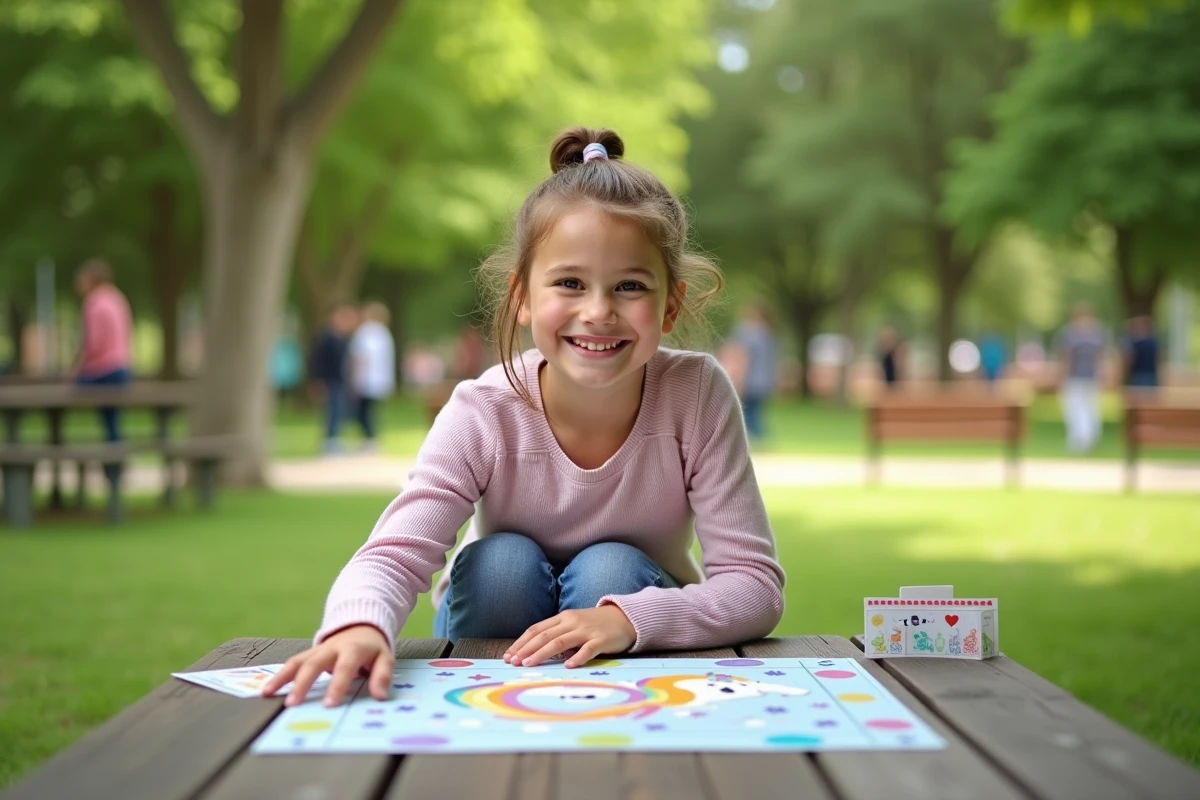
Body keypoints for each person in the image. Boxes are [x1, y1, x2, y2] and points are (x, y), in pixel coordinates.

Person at [264, 127, 785, 708]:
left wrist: (627, 619)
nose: (598, 311)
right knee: (500, 564)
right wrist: (356, 627)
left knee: (607, 568)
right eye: (569, 283)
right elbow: (396, 551)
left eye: (630, 286)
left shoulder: (696, 393)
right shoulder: (484, 409)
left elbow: (754, 586)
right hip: (493, 647)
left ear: (670, 306)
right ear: (522, 299)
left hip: (631, 665)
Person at [71, 259, 133, 442]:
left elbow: (94, 344)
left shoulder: (94, 302)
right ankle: (114, 465)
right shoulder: (118, 298)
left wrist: (76, 368)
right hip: (122, 368)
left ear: (92, 280)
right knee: (112, 421)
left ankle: (112, 464)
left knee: (69, 391)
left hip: (103, 370)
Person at [1056, 302, 1107, 453]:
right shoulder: (1098, 334)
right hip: (1091, 377)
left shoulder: (1070, 334)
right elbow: (1103, 357)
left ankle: (1080, 440)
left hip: (1076, 377)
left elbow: (1066, 357)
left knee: (1077, 408)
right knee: (1090, 408)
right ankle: (1089, 438)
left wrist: (1061, 376)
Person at [722, 301, 777, 440]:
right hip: (764, 381)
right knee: (754, 411)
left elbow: (743, 358)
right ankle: (758, 437)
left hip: (751, 381)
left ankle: (757, 437)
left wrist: (739, 379)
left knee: (748, 412)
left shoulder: (748, 334)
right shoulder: (768, 335)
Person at [309, 303, 359, 455]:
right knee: (333, 412)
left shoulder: (341, 339)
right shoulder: (327, 338)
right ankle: (330, 443)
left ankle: (334, 440)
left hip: (339, 381)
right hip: (330, 381)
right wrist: (318, 381)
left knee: (339, 412)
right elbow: (318, 361)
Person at [348, 301, 396, 451]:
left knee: (363, 410)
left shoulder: (364, 332)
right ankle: (371, 438)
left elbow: (359, 356)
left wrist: (354, 377)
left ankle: (368, 438)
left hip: (365, 378)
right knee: (371, 410)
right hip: (379, 379)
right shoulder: (384, 334)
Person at [1122, 314, 1159, 390]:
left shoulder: (1134, 343)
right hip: (1151, 374)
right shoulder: (1153, 342)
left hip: (1138, 375)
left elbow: (1128, 358)